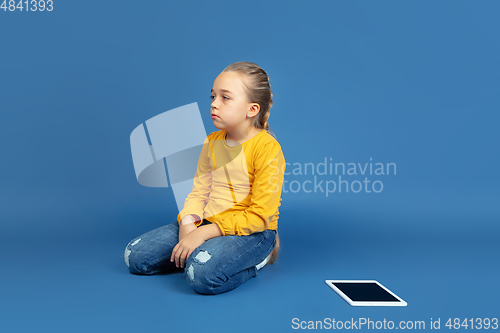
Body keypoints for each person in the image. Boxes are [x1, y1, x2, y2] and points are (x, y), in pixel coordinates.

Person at [123, 61, 286, 295]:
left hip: (252, 233)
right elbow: (200, 191)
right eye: (212, 96)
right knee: (134, 257)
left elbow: (260, 216)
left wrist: (203, 234)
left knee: (199, 276)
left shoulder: (267, 149)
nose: (214, 104)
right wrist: (187, 224)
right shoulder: (212, 141)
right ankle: (200, 255)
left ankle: (257, 260)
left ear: (252, 109)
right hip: (205, 223)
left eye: (225, 98)